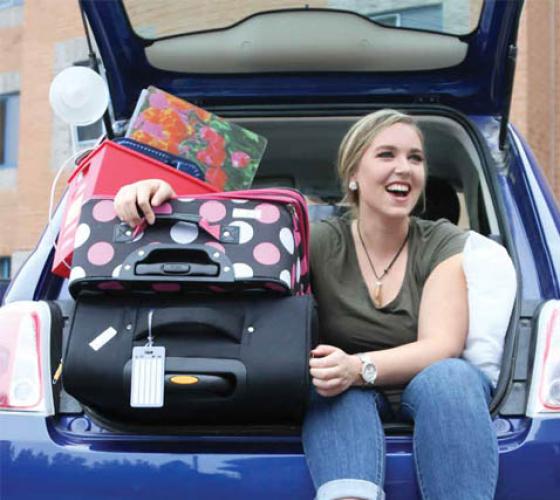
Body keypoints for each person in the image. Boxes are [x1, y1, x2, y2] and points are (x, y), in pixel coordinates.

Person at [113, 109, 498, 500]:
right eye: (387, 155)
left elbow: (441, 345)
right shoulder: (313, 240)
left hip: (429, 389)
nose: (404, 168)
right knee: (329, 385)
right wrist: (158, 193)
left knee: (453, 375)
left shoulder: (444, 243)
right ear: (353, 174)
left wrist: (356, 367)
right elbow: (220, 245)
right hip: (343, 395)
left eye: (415, 158)